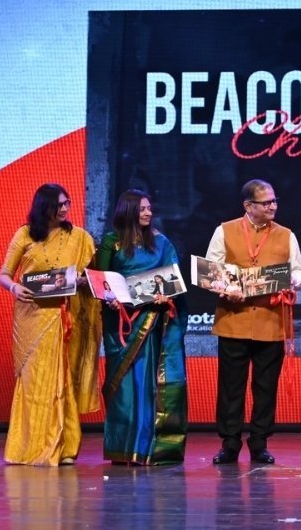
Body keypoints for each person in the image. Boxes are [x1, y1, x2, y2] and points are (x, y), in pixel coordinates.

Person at [205, 179, 301, 465]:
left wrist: (291, 280)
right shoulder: (224, 230)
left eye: (274, 201)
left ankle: (259, 442)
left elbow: (300, 272)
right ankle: (230, 443)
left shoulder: (286, 235)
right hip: (233, 319)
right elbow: (211, 271)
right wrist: (227, 288)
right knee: (231, 387)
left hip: (270, 322)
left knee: (265, 387)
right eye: (266, 202)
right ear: (248, 206)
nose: (273, 206)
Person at [0, 183, 100, 466]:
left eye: (67, 203)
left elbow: (93, 277)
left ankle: (65, 448)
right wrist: (14, 288)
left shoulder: (79, 237)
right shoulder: (25, 234)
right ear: (45, 207)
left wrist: (81, 281)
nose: (65, 209)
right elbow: (4, 274)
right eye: (59, 205)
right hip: (31, 317)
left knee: (63, 380)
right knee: (34, 384)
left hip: (65, 316)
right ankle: (26, 449)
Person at [95, 189, 188, 465]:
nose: (148, 213)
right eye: (142, 209)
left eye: (149, 208)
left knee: (149, 385)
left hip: (152, 323)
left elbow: (173, 278)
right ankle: (122, 448)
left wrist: (165, 296)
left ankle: (149, 449)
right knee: (124, 387)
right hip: (121, 325)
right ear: (129, 211)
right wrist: (109, 298)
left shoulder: (161, 242)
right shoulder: (111, 242)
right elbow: (100, 280)